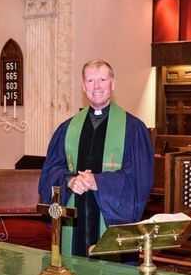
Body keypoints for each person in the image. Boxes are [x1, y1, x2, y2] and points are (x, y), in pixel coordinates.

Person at [38, 59, 154, 257]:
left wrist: (98, 182)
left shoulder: (133, 130)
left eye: (102, 79)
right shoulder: (66, 129)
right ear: (83, 86)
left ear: (113, 84)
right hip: (74, 222)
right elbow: (50, 172)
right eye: (90, 81)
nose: (97, 86)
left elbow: (140, 181)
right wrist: (70, 180)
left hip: (110, 219)